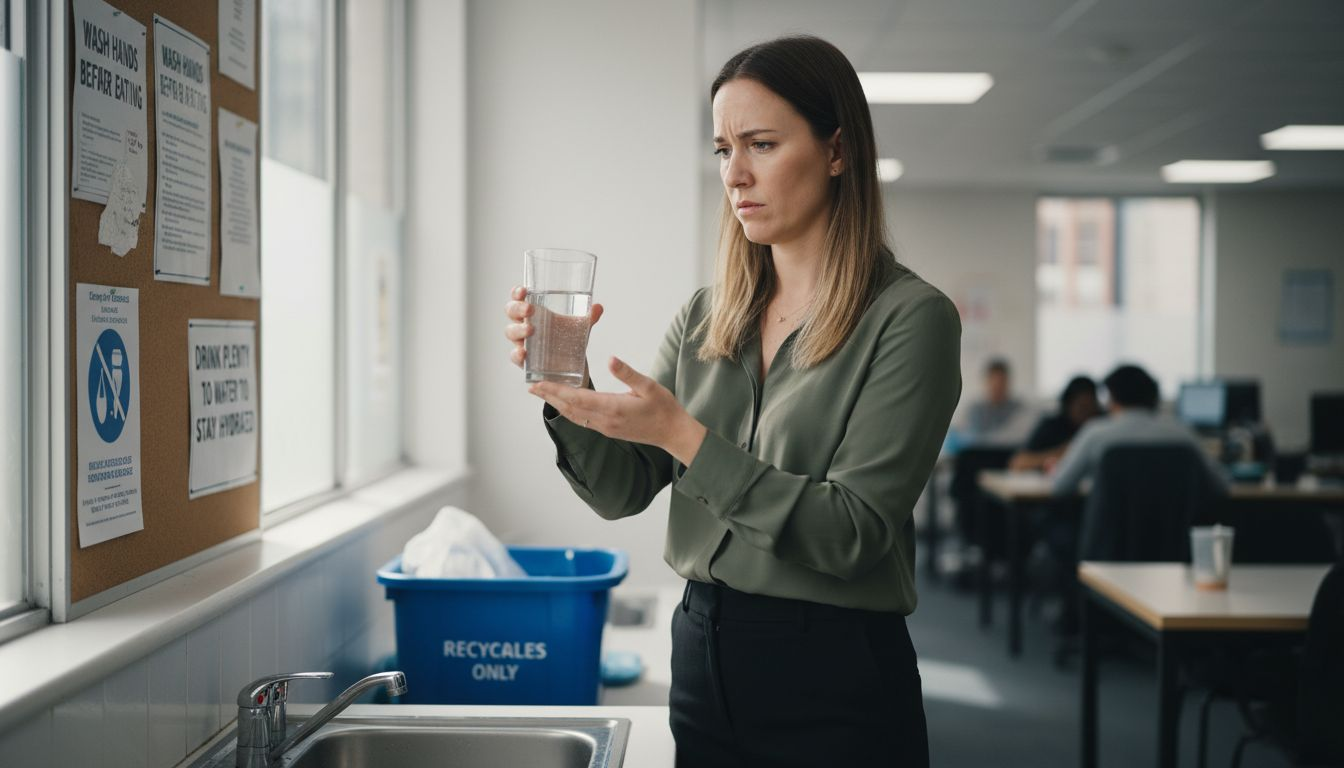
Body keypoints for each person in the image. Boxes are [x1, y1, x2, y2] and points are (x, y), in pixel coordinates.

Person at [504, 35, 960, 767]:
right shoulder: (708, 315)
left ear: (837, 151)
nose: (736, 174)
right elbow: (623, 488)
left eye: (762, 144)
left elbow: (851, 534)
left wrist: (688, 439)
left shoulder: (911, 320)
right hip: (704, 650)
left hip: (833, 675)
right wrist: (569, 389)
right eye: (722, 149)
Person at [1051, 364, 1228, 495]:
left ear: (1112, 399)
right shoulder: (1183, 434)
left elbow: (1060, 486)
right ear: (1154, 398)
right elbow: (1221, 487)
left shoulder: (1095, 434)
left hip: (1107, 540)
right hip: (1173, 540)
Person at [1008, 375, 1102, 471]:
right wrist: (1065, 452)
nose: (1087, 413)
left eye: (1092, 407)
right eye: (1082, 407)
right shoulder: (1052, 426)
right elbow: (1018, 462)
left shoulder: (1102, 424)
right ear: (1068, 404)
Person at [954, 358, 1033, 445]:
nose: (997, 387)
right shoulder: (974, 410)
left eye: (1001, 382)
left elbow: (1021, 436)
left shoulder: (1018, 409)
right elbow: (969, 437)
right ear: (986, 382)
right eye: (994, 383)